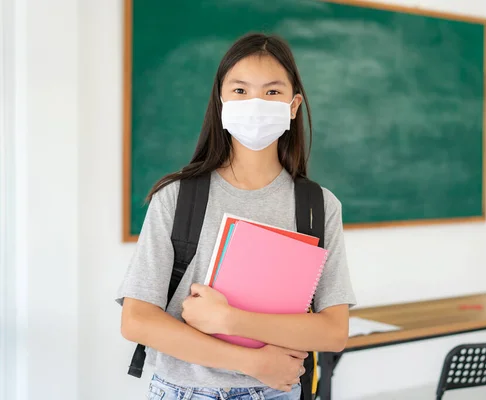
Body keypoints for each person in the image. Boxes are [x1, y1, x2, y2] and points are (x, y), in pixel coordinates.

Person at [116, 33, 356, 400]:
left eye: (272, 92)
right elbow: (137, 320)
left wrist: (231, 320)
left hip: (278, 393)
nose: (256, 103)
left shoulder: (318, 206)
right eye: (241, 91)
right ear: (221, 102)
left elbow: (333, 332)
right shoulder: (177, 197)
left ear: (293, 106)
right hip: (184, 392)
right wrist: (252, 361)